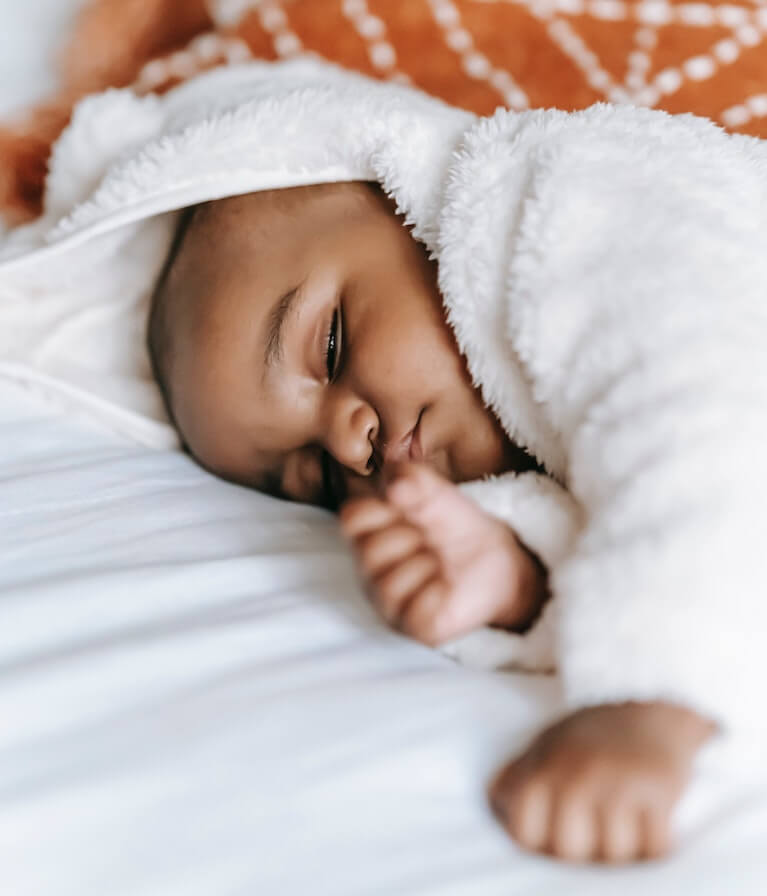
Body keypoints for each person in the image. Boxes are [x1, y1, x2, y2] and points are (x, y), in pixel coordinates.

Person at [147, 179, 716, 865]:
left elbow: (704, 442)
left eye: (329, 349)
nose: (346, 445)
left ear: (408, 205)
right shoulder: (534, 446)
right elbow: (614, 532)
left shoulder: (583, 217)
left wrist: (650, 700)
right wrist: (514, 582)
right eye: (321, 478)